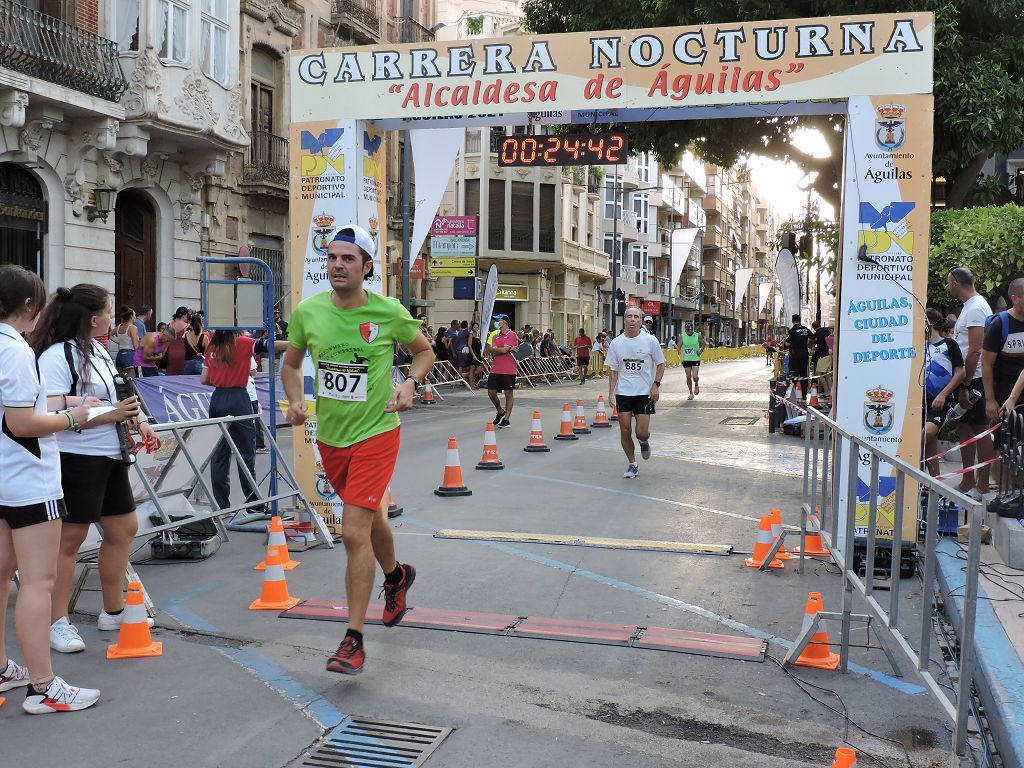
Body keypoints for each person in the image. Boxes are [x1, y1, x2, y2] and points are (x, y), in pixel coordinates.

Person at [282, 224, 433, 676]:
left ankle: (353, 639)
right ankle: (397, 576)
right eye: (331, 258)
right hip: (331, 436)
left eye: (347, 259)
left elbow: (423, 352)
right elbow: (291, 365)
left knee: (352, 533)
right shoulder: (308, 313)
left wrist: (409, 382)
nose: (337, 265)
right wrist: (293, 399)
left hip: (377, 432)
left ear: (367, 267)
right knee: (370, 519)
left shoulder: (388, 312)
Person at [33, 284, 158, 655]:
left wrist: (139, 421)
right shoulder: (56, 357)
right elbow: (48, 412)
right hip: (75, 458)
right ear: (93, 318)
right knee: (69, 541)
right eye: (109, 310)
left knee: (123, 529)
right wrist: (113, 414)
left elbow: (116, 397)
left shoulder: (99, 351)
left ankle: (113, 610)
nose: (114, 316)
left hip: (109, 454)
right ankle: (57, 622)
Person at [0, 266, 100, 714]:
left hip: (5, 476)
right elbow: (21, 423)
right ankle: (43, 686)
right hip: (28, 477)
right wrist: (75, 419)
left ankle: (4, 668)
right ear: (27, 307)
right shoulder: (16, 350)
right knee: (38, 582)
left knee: (2, 576)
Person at [202, 330, 276, 514]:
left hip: (217, 398)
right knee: (246, 453)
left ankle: (221, 506)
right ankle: (254, 504)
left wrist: (222, 381)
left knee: (220, 454)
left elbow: (204, 379)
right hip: (238, 398)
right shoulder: (242, 342)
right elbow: (268, 345)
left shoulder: (212, 347)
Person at [948, 266, 995, 498]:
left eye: (949, 282)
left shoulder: (976, 308)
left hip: (973, 378)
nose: (949, 286)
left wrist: (966, 385)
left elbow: (975, 350)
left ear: (956, 282)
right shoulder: (970, 307)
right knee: (965, 427)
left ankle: (983, 484)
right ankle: (968, 480)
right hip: (965, 379)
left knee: (980, 430)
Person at [606, 307, 665, 479]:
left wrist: (656, 385)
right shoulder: (616, 343)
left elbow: (661, 364)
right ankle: (632, 464)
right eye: (629, 316)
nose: (632, 319)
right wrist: (611, 393)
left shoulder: (650, 341)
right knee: (625, 430)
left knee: (641, 432)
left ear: (641, 321)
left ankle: (644, 441)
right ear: (624, 320)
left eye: (636, 317)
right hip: (623, 391)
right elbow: (613, 370)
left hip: (644, 392)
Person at [983, 277, 1024, 490]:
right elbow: (987, 364)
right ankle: (1003, 491)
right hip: (1004, 394)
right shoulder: (1000, 324)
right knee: (1002, 444)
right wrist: (990, 400)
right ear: (1015, 298)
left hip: (1018, 394)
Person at [923, 309, 965, 476]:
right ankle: (935, 485)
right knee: (930, 444)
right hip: (921, 402)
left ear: (928, 324)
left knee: (927, 434)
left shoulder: (949, 344)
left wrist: (943, 394)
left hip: (941, 402)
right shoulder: (918, 346)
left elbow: (961, 373)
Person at [487, 314, 518, 428]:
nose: (497, 322)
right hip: (495, 368)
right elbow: (491, 350)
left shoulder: (512, 334)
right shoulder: (496, 336)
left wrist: (505, 349)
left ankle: (506, 419)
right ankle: (500, 411)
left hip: (508, 369)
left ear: (504, 322)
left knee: (508, 393)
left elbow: (502, 350)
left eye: (498, 320)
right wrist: (507, 349)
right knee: (491, 392)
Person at [782, 314, 812, 387]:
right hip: (804, 354)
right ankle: (804, 393)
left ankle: (795, 391)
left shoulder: (792, 330)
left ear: (792, 321)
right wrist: (808, 345)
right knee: (804, 373)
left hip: (795, 354)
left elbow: (788, 344)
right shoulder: (806, 329)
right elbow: (814, 339)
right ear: (800, 320)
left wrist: (784, 340)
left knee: (794, 373)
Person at [680, 320, 705, 400]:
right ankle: (691, 393)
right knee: (688, 377)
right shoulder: (682, 336)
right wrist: (679, 350)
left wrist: (701, 350)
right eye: (688, 330)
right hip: (686, 359)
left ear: (693, 329)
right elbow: (679, 346)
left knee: (694, 376)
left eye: (691, 330)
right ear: (686, 330)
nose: (689, 331)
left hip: (695, 358)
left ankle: (696, 383)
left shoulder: (697, 335)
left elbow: (704, 343)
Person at [112, 305, 140, 377]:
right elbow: (135, 345)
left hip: (120, 355)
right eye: (134, 315)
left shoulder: (119, 326)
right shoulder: (133, 328)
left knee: (122, 382)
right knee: (132, 382)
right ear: (131, 316)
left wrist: (118, 341)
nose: (135, 317)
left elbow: (109, 334)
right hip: (129, 354)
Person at [163, 306, 191, 376]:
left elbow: (165, 341)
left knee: (170, 376)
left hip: (170, 354)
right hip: (183, 354)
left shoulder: (169, 325)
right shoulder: (187, 327)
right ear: (184, 315)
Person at [811, 321, 832, 397]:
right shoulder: (827, 331)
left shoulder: (817, 334)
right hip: (829, 355)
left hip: (822, 356)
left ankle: (827, 391)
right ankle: (831, 392)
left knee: (818, 373)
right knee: (827, 375)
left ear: (814, 328)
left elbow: (812, 341)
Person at [467, 321, 484, 389]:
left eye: (477, 327)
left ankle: (467, 376)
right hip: (472, 353)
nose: (476, 328)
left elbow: (480, 346)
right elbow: (469, 345)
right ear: (472, 328)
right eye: (474, 327)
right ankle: (471, 384)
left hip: (478, 353)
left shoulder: (478, 335)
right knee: (472, 369)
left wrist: (481, 354)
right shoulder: (471, 335)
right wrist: (473, 355)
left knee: (479, 369)